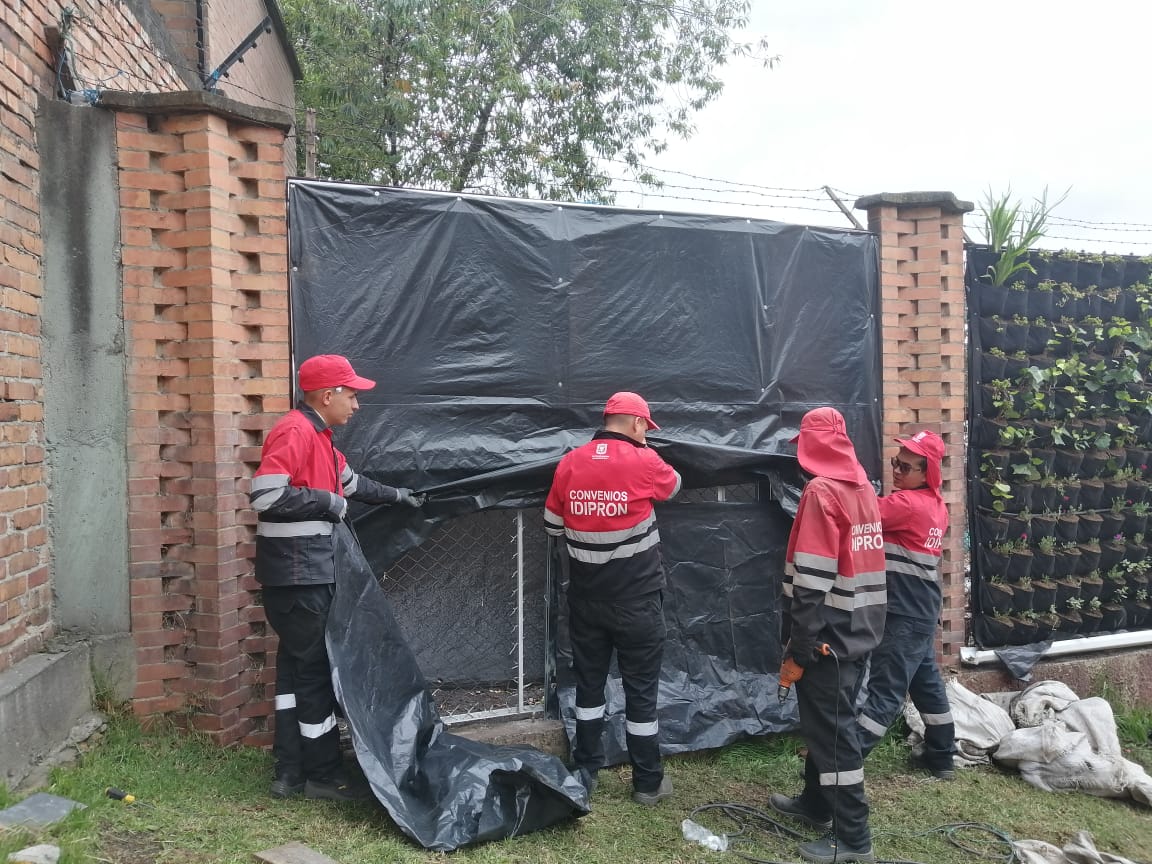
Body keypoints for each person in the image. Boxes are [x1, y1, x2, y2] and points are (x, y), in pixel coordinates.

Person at [249, 354, 424, 801]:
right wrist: (329, 504)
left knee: (293, 671)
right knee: (313, 675)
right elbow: (267, 495)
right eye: (351, 395)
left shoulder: (319, 436)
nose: (356, 404)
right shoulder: (295, 430)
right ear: (326, 396)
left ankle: (289, 772)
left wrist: (398, 497)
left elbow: (351, 484)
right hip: (300, 575)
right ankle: (323, 776)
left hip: (297, 575)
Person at [544, 391, 682, 805]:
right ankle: (647, 782)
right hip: (637, 600)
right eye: (646, 428)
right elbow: (674, 487)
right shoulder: (645, 461)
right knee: (641, 691)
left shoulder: (570, 462)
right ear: (638, 424)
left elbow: (552, 525)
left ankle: (586, 770)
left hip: (586, 600)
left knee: (588, 686)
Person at [769, 407, 886, 864]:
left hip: (827, 639)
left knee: (835, 737)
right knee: (826, 726)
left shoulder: (821, 492)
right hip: (858, 632)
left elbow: (812, 580)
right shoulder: (862, 488)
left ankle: (855, 841)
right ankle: (815, 805)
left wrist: (799, 648)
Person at [856, 430, 956, 779]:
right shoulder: (937, 506)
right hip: (923, 611)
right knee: (926, 684)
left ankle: (843, 763)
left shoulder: (906, 505)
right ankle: (942, 757)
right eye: (896, 463)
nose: (897, 471)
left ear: (926, 473)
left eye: (907, 467)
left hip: (902, 614)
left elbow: (861, 514)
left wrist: (851, 480)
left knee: (885, 691)